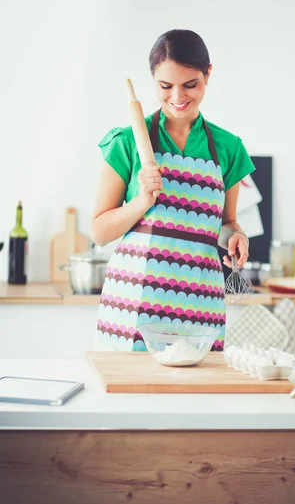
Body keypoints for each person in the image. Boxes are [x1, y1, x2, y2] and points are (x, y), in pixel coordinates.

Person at [92, 29, 255, 352]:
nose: (178, 96)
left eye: (190, 84)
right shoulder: (127, 142)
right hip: (134, 305)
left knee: (197, 400)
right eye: (165, 86)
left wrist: (237, 236)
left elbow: (227, 223)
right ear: (153, 80)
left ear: (208, 74)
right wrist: (141, 201)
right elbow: (99, 231)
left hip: (200, 303)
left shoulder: (228, 147)